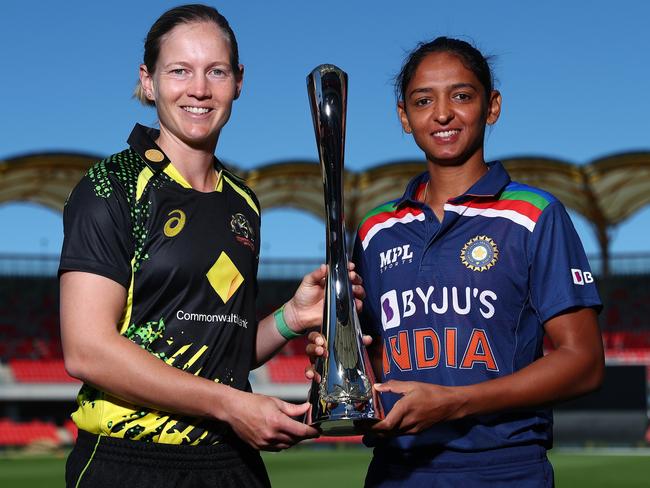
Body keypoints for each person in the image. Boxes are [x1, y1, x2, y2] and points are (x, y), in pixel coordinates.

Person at [59, 5, 362, 487]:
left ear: (239, 81)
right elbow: (87, 349)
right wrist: (232, 404)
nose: (199, 89)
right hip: (130, 462)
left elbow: (222, 352)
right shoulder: (111, 185)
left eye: (215, 71)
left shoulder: (244, 202)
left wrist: (293, 318)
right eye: (179, 70)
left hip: (231, 464)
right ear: (148, 80)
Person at [306, 36, 604, 487]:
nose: (442, 113)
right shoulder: (374, 229)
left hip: (504, 468)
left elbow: (584, 362)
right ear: (405, 117)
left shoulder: (533, 215)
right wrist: (335, 359)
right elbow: (369, 356)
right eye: (423, 100)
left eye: (461, 95)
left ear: (492, 106)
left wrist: (455, 401)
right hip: (396, 471)